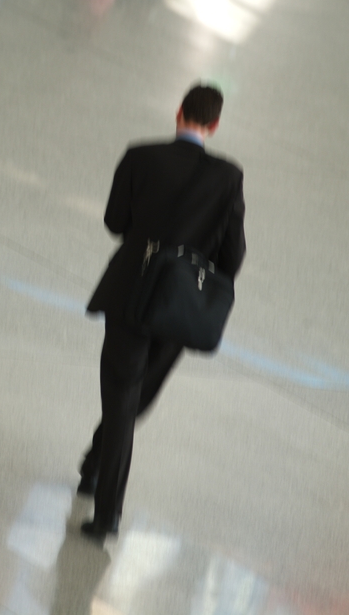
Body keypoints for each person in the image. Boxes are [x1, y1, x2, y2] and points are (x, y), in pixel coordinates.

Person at [79, 83, 246, 541]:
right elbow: (233, 255)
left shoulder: (139, 156)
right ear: (213, 126)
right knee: (137, 398)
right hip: (180, 302)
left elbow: (116, 222)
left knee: (121, 394)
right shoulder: (228, 177)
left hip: (132, 290)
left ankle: (106, 508)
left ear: (178, 113)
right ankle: (97, 470)